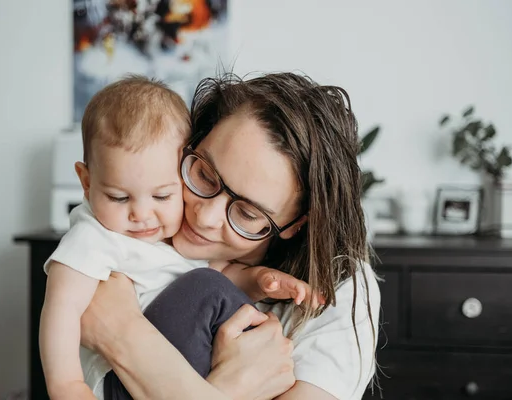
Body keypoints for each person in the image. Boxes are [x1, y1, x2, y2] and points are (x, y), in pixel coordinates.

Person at [80, 72, 381, 400]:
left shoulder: (339, 287)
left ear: (295, 226)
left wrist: (120, 332)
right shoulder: (129, 225)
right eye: (204, 175)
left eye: (248, 213)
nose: (205, 217)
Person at [39, 76, 321, 400]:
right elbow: (59, 309)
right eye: (119, 197)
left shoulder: (167, 235)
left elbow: (219, 273)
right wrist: (66, 385)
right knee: (208, 288)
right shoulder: (93, 236)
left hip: (176, 373)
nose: (142, 215)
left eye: (162, 197)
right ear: (86, 183)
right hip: (119, 382)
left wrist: (261, 280)